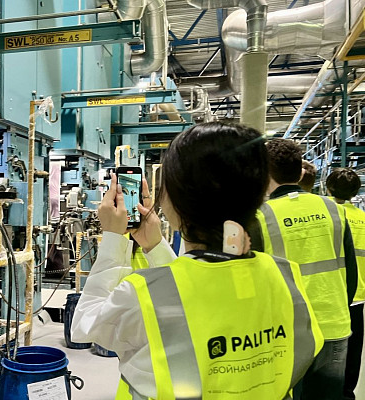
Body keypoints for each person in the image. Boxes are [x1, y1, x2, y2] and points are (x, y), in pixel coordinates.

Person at [72, 123, 324, 399]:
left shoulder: (141, 295)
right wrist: (155, 246)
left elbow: (85, 325)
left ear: (176, 199)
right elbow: (305, 349)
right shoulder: (284, 275)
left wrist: (113, 239)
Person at [250, 139, 358, 400]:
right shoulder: (333, 209)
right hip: (334, 324)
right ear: (299, 173)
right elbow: (351, 272)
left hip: (287, 331)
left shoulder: (260, 216)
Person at [326, 168, 365, 400]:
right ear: (356, 192)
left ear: (328, 188)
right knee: (353, 349)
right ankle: (347, 393)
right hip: (358, 293)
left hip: (331, 290)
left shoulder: (326, 214)